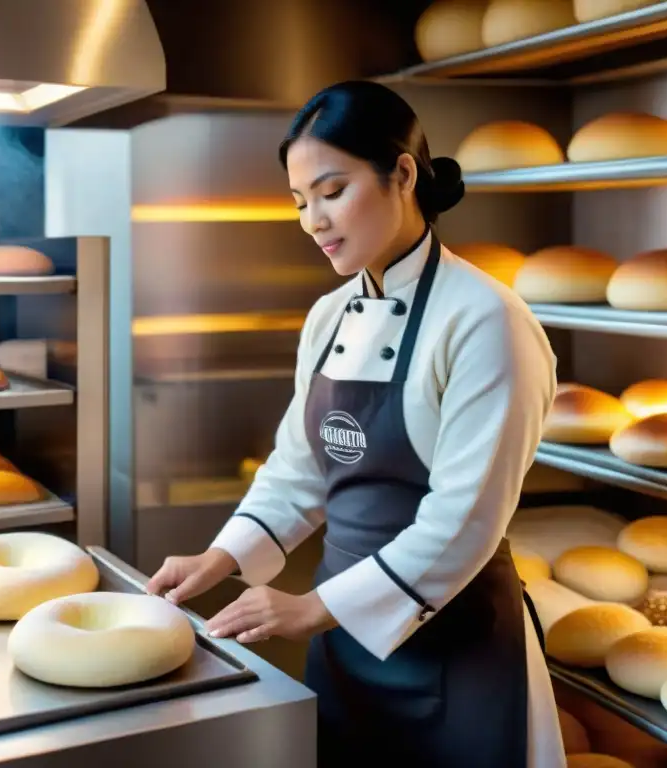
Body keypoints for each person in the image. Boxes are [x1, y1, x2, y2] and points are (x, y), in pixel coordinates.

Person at [146, 80, 564, 767]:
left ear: (402, 173)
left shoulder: (487, 320)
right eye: (300, 201)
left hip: (454, 646)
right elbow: (298, 468)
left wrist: (312, 607)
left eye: (332, 191)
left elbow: (466, 517)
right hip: (344, 644)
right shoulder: (329, 316)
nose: (312, 219)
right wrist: (220, 558)